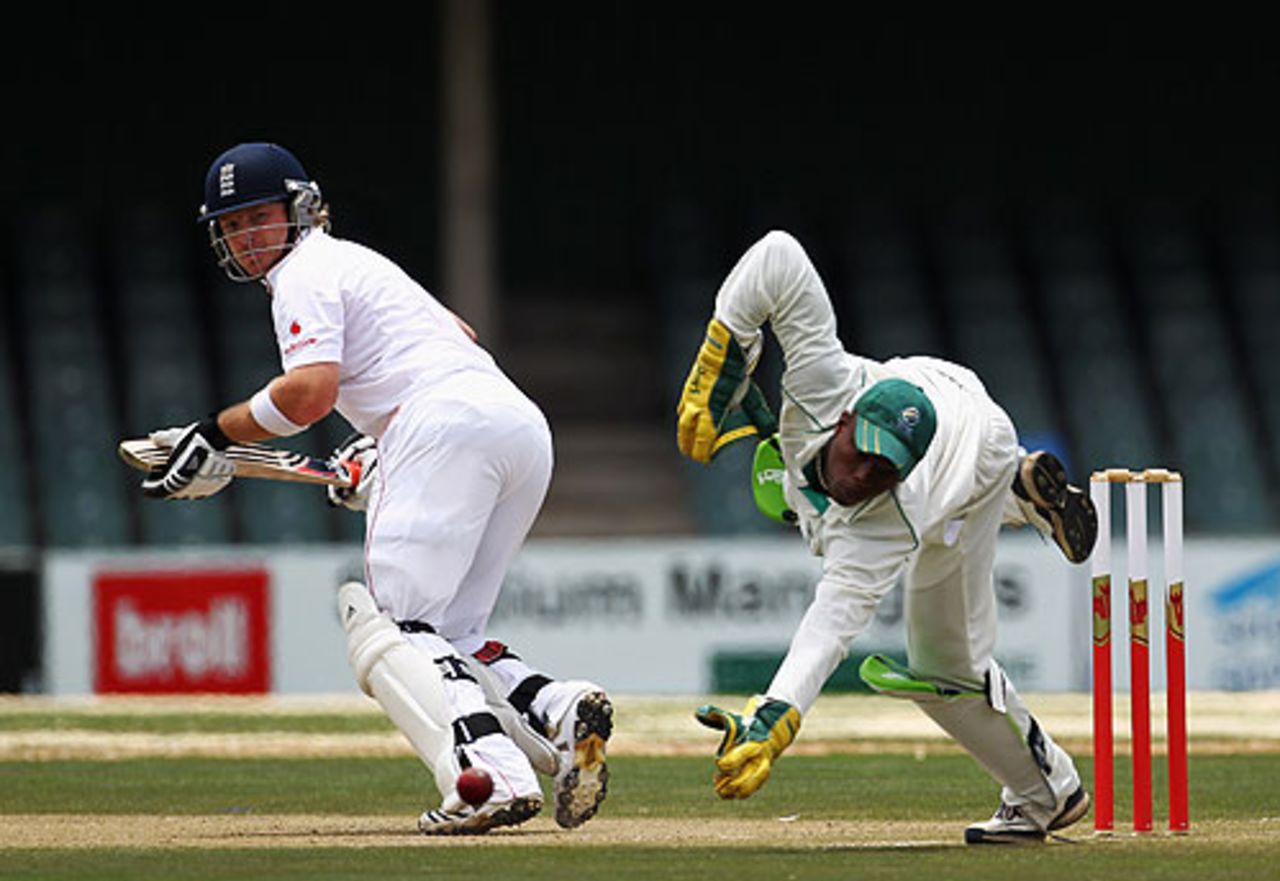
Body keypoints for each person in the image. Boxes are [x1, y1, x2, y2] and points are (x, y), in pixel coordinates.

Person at [139, 142, 612, 835]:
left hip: (444, 423)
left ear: (298, 210)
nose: (248, 238)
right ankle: (557, 708)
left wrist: (214, 430)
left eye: (259, 218)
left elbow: (309, 394)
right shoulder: (359, 261)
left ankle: (491, 777)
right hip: (515, 423)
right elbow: (456, 334)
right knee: (451, 632)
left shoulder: (303, 271)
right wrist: (383, 449)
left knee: (394, 626)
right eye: (233, 226)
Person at [674, 229, 1098, 845]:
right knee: (814, 495)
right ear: (846, 418)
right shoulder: (824, 378)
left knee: (946, 664)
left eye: (884, 469)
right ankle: (1025, 495)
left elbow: (832, 623)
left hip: (979, 450)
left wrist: (776, 712)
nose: (864, 476)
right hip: (931, 385)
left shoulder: (892, 517)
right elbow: (777, 254)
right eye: (863, 454)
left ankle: (1045, 795)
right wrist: (726, 352)